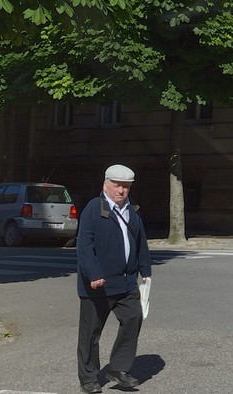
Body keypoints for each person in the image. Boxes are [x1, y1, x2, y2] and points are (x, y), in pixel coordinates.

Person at [77, 164, 151, 393]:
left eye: (126, 186)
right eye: (117, 185)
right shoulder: (94, 208)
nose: (122, 190)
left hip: (126, 281)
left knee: (133, 317)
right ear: (105, 185)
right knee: (91, 332)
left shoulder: (132, 210)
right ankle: (89, 378)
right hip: (98, 283)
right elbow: (84, 245)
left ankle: (119, 368)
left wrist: (146, 270)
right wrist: (94, 273)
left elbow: (140, 242)